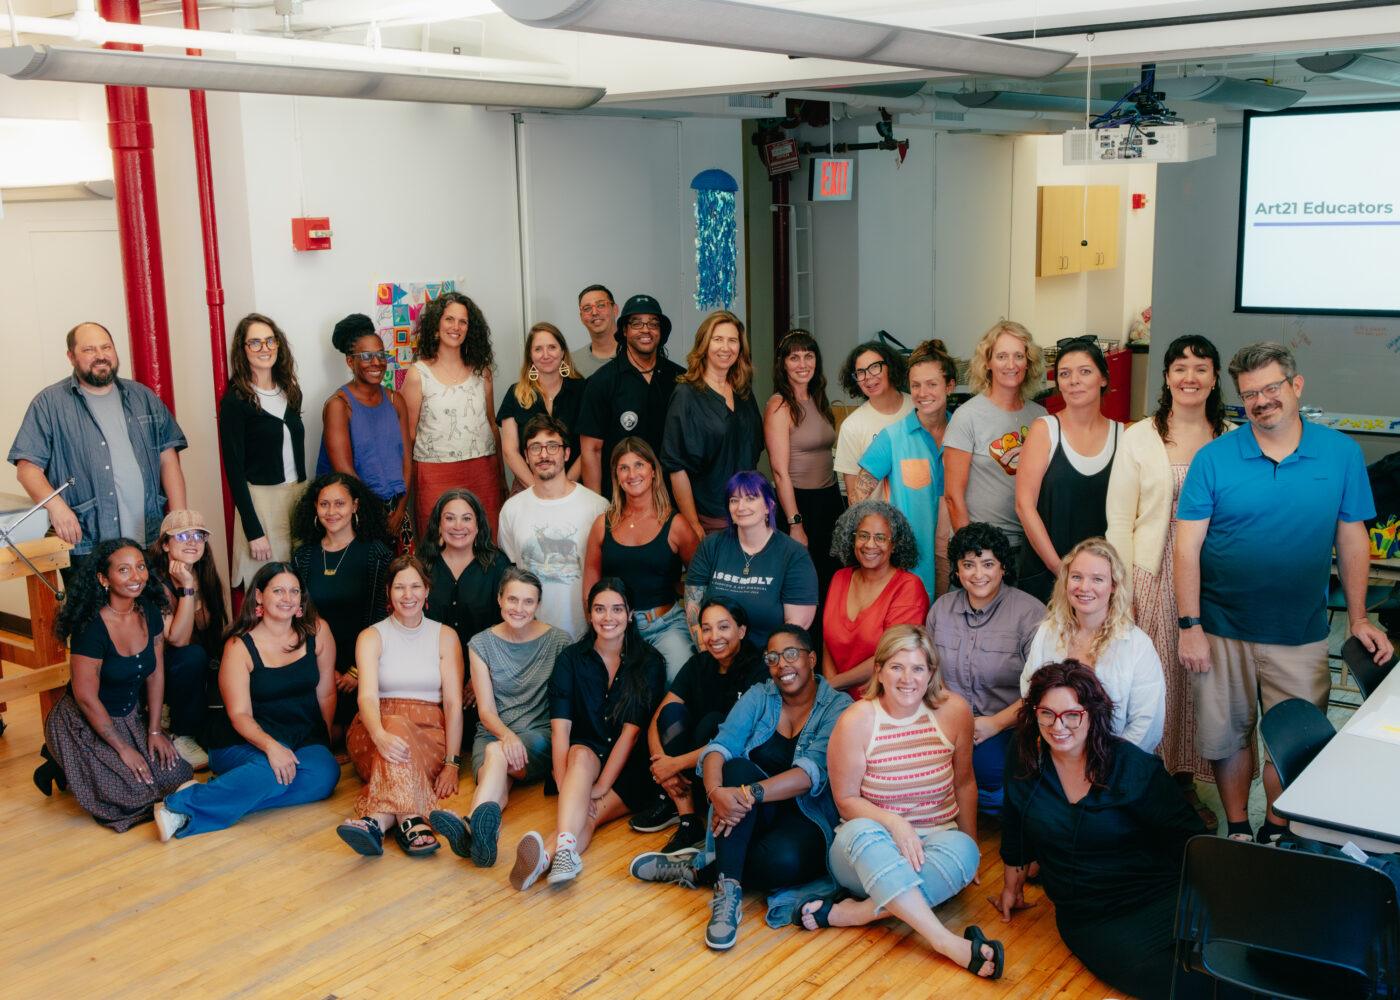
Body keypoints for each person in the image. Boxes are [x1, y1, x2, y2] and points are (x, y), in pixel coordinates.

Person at [1175, 341, 1393, 844]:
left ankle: (1278, 828)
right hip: (1221, 629)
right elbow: (1186, 549)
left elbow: (1352, 537)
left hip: (1300, 631)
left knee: (1289, 741)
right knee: (1225, 737)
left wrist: (1358, 617)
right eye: (1249, 393)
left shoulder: (1340, 453)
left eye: (1271, 388)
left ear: (1296, 387)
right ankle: (1236, 830)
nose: (1261, 400)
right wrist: (1190, 626)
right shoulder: (1213, 459)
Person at [998, 661, 1215, 1000]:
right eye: (1047, 714)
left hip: (1159, 892)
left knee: (1231, 960)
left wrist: (1208, 898)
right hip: (1090, 917)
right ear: (1034, 713)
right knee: (1173, 982)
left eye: (1072, 715)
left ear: (1093, 713)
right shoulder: (1025, 753)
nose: (1059, 726)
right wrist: (1013, 879)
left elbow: (1191, 837)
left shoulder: (1132, 768)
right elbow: (1014, 813)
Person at [800, 626, 1001, 981]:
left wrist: (973, 850)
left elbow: (965, 782)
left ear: (931, 673)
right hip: (865, 848)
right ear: (878, 671)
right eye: (896, 667)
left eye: (918, 668)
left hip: (934, 841)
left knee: (966, 852)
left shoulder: (954, 711)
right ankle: (945, 942)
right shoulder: (856, 720)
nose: (907, 678)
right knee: (863, 831)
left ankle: (853, 914)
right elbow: (845, 802)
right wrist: (894, 823)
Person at [629, 624, 846, 952]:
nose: (782, 665)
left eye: (791, 654)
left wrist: (748, 794)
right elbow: (719, 747)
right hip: (749, 813)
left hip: (805, 817)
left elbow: (811, 773)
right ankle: (726, 894)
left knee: (782, 864)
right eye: (773, 657)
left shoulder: (837, 706)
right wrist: (716, 791)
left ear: (811, 658)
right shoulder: (760, 695)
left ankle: (698, 869)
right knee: (735, 767)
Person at [1106, 334, 1232, 826]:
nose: (1190, 377)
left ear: (1215, 378)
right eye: (1180, 367)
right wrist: (1122, 591)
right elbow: (1119, 519)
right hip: (1151, 573)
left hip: (1211, 575)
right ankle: (1148, 782)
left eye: (1201, 368)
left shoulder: (1230, 436)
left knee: (1197, 682)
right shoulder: (1139, 436)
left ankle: (1184, 782)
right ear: (1165, 377)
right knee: (1155, 680)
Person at [154, 562, 339, 840]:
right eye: (278, 591)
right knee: (270, 773)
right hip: (242, 739)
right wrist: (272, 747)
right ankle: (180, 807)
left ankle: (228, 790)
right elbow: (239, 715)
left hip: (300, 734)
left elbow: (326, 692)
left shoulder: (318, 631)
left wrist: (321, 739)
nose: (287, 598)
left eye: (294, 591)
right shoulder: (239, 645)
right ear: (260, 596)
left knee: (324, 776)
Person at [509, 579, 666, 890]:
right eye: (600, 609)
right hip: (585, 752)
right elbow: (561, 728)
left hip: (629, 767)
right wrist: (565, 780)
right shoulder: (571, 659)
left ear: (630, 614)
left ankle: (546, 858)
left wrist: (601, 787)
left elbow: (630, 734)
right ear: (590, 614)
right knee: (580, 755)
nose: (608, 617)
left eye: (617, 609)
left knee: (589, 814)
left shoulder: (649, 661)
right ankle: (565, 851)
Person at [38, 539, 194, 828]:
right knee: (133, 795)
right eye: (124, 570)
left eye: (140, 567)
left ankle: (59, 764)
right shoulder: (91, 626)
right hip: (84, 721)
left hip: (128, 715)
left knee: (175, 777)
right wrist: (123, 748)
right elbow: (85, 697)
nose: (136, 577)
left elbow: (155, 673)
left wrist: (155, 729)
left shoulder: (148, 610)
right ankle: (57, 760)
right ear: (103, 578)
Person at [430, 567, 571, 868]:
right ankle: (479, 832)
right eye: (513, 600)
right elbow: (486, 712)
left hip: (539, 735)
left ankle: (468, 825)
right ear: (499, 599)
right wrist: (507, 736)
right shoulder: (481, 644)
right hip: (494, 732)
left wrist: (511, 739)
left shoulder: (560, 642)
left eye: (528, 602)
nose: (519, 609)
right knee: (498, 776)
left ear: (537, 605)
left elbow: (565, 706)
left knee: (497, 755)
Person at [10, 321, 187, 558]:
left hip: (150, 537)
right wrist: (56, 507)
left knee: (154, 596)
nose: (100, 356)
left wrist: (179, 523)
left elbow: (168, 460)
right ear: (71, 356)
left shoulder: (143, 397)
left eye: (106, 347)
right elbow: (27, 469)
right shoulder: (48, 405)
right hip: (87, 544)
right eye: (89, 350)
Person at [335, 555, 464, 857]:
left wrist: (452, 763)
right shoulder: (371, 637)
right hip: (374, 732)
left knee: (399, 730)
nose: (408, 595)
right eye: (400, 588)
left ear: (427, 590)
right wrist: (379, 734)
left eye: (416, 586)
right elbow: (366, 697)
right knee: (394, 726)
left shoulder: (445, 636)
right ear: (389, 593)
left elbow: (454, 703)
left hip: (428, 735)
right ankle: (412, 820)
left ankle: (376, 822)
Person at [926, 523, 1044, 814]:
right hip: (945, 720)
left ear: (1003, 566)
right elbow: (925, 672)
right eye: (968, 565)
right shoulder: (941, 609)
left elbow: (1044, 690)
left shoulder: (1031, 613)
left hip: (1005, 724)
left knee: (986, 772)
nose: (978, 574)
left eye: (988, 564)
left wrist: (995, 724)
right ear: (957, 569)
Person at [635, 597, 766, 855]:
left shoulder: (757, 670)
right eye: (706, 628)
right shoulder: (699, 663)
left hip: (731, 765)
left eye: (723, 627)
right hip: (688, 766)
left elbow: (733, 741)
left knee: (713, 722)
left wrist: (673, 765)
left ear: (741, 630)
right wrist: (661, 766)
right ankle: (686, 816)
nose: (714, 636)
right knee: (672, 712)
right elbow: (660, 716)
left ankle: (687, 805)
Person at [1020, 538, 1164, 751]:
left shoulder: (1137, 645)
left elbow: (1147, 723)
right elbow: (1029, 690)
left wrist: (1108, 766)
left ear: (1114, 586)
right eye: (1076, 577)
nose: (1084, 587)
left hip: (1115, 762)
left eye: (1097, 579)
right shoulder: (1048, 631)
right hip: (1054, 751)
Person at [1015, 338, 1123, 602]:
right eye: (1064, 373)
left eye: (1084, 371)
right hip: (1047, 577)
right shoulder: (1045, 429)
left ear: (1104, 379)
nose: (1073, 380)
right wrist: (1061, 570)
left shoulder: (1123, 435)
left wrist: (1098, 578)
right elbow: (1024, 506)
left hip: (1101, 584)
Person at [584, 437, 699, 682]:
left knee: (679, 685)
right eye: (623, 467)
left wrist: (696, 625)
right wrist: (599, 630)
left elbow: (699, 580)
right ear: (616, 476)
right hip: (616, 628)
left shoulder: (676, 524)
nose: (632, 473)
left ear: (653, 471)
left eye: (639, 465)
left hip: (666, 626)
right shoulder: (602, 525)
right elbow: (590, 588)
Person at [289, 472, 393, 738]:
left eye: (339, 503)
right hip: (315, 664)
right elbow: (298, 618)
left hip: (365, 667)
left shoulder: (376, 553)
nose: (331, 511)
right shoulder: (303, 556)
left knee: (355, 733)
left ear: (355, 506)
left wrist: (356, 671)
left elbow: (380, 617)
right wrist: (325, 668)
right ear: (315, 507)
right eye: (324, 504)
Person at [858, 339, 958, 599]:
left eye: (931, 384)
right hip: (911, 568)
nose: (922, 393)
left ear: (950, 386)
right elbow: (859, 498)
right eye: (915, 385)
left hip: (959, 564)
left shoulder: (963, 435)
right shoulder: (892, 438)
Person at [401, 291, 504, 540]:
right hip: (434, 473)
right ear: (436, 327)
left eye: (463, 321)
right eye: (449, 319)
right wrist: (404, 490)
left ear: (470, 329)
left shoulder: (483, 373)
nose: (455, 327)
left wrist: (501, 477)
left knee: (485, 541)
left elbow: (492, 425)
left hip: (483, 470)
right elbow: (408, 436)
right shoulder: (418, 374)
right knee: (438, 543)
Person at [498, 415, 609, 639]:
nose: (544, 455)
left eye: (552, 446)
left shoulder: (598, 506)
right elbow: (511, 571)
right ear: (526, 456)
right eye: (535, 448)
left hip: (586, 635)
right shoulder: (511, 510)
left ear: (566, 454)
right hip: (530, 636)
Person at [219, 313, 307, 588]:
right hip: (261, 503)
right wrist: (253, 530)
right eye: (255, 343)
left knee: (298, 582)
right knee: (269, 587)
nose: (264, 348)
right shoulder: (236, 400)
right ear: (243, 351)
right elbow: (233, 469)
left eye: (270, 341)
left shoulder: (290, 392)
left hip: (297, 496)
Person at [943, 320, 1046, 553]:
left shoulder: (1040, 416)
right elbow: (952, 497)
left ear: (1028, 362)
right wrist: (972, 554)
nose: (1011, 364)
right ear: (987, 362)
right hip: (984, 547)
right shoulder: (966, 416)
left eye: (1019, 356)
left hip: (1031, 544)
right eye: (1001, 356)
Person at [685, 472, 818, 650]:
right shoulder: (711, 545)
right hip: (714, 655)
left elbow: (795, 630)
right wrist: (706, 652)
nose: (741, 507)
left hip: (769, 662)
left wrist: (766, 665)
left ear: (768, 506)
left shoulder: (794, 555)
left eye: (750, 498)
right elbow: (693, 606)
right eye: (734, 500)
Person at [662, 310, 764, 538]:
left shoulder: (743, 392)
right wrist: (693, 524)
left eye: (733, 340)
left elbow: (753, 449)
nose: (725, 347)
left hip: (751, 512)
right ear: (704, 345)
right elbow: (676, 467)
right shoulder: (686, 394)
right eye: (717, 339)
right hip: (711, 518)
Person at [577, 293, 685, 499]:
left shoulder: (680, 379)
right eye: (636, 324)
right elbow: (591, 450)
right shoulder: (601, 382)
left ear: (661, 332)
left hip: (671, 497)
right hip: (619, 497)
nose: (646, 330)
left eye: (653, 324)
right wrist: (597, 506)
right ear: (624, 331)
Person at [147, 509, 230, 771]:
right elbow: (178, 640)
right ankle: (180, 732)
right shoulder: (153, 581)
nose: (193, 542)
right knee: (192, 655)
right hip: (157, 669)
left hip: (190, 667)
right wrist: (186, 588)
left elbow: (208, 627)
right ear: (164, 544)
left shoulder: (203, 573)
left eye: (199, 535)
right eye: (182, 536)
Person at [821, 500, 930, 698]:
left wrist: (832, 685)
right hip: (834, 698)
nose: (870, 544)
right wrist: (831, 695)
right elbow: (828, 639)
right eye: (863, 535)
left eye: (880, 537)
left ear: (894, 544)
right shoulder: (840, 577)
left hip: (881, 699)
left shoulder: (908, 586)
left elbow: (894, 654)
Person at [316, 313, 411, 541]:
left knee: (401, 575)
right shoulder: (339, 405)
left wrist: (399, 511)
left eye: (380, 354)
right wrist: (376, 513)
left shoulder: (395, 400)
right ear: (351, 361)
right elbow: (345, 472)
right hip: (357, 513)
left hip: (397, 510)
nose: (376, 362)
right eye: (367, 356)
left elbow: (407, 460)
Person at [763, 329, 842, 595]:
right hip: (798, 503)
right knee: (803, 583)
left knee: (829, 579)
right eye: (794, 357)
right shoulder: (779, 405)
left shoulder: (819, 399)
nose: (803, 364)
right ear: (782, 364)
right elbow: (779, 471)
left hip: (830, 500)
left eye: (808, 356)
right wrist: (795, 523)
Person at [421, 488, 511, 671]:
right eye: (449, 518)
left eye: (467, 518)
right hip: (431, 671)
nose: (458, 526)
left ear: (478, 525)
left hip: (488, 670)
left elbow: (509, 625)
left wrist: (482, 673)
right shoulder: (422, 565)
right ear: (438, 524)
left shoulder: (498, 565)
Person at [498, 322, 587, 489]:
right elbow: (510, 451)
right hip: (528, 487)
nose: (546, 355)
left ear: (563, 352)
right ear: (530, 355)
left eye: (552, 347)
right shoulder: (515, 394)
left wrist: (564, 487)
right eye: (538, 349)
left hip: (574, 485)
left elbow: (588, 448)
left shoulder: (582, 390)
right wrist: (537, 490)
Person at [834, 340, 912, 503]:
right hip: (878, 522)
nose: (868, 377)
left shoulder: (916, 409)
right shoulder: (852, 426)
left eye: (875, 367)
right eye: (860, 372)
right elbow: (853, 499)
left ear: (890, 367)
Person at [571, 284, 619, 379]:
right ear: (581, 317)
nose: (594, 312)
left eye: (601, 305)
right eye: (587, 308)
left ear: (615, 310)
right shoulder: (573, 363)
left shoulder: (636, 353)